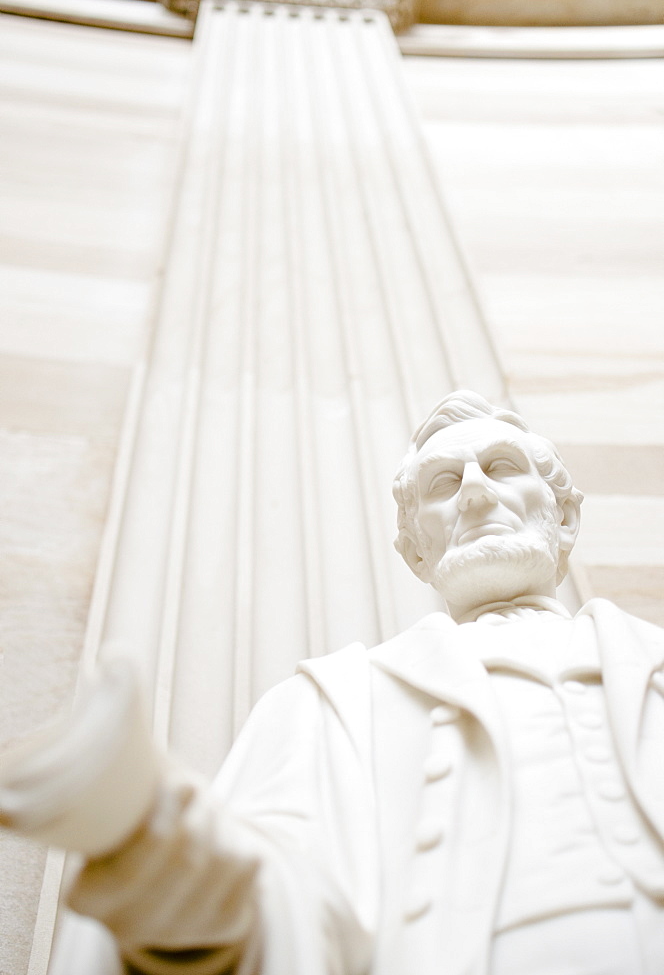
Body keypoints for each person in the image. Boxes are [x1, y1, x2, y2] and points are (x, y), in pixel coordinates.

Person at [3, 389, 664, 975]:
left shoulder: (652, 665)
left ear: (567, 517)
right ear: (415, 552)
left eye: (502, 468)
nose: (476, 492)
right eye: (442, 483)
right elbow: (286, 912)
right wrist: (157, 837)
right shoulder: (336, 703)